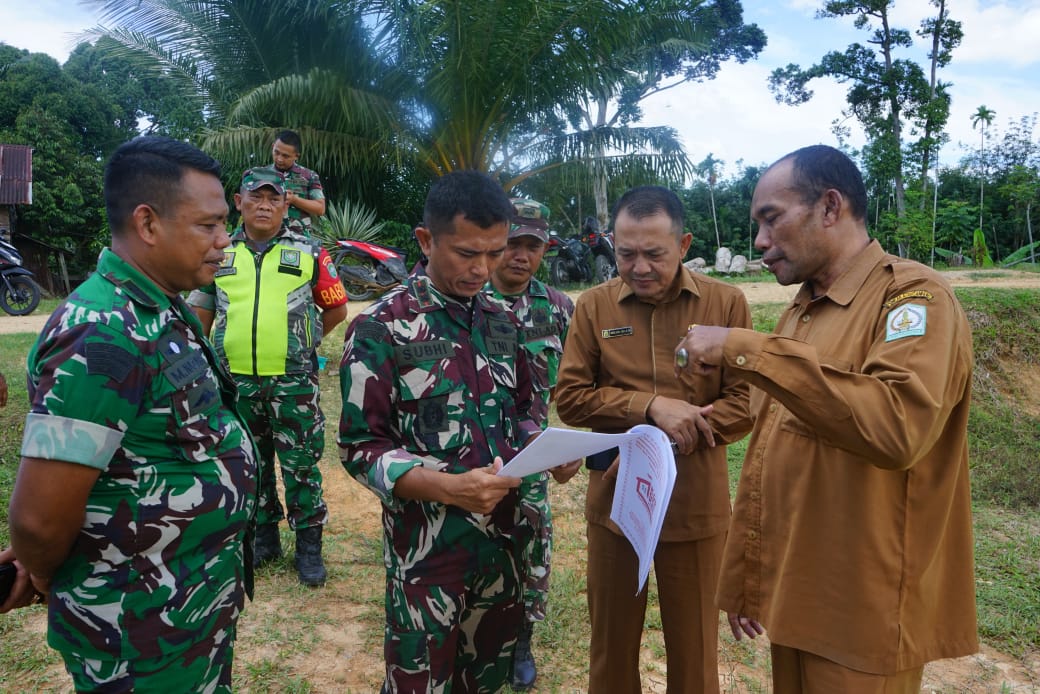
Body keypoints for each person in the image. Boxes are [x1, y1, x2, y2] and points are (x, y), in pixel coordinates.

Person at [675, 144, 978, 693]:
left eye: (772, 219)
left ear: (830, 207)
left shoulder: (911, 298)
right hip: (797, 596)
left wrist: (747, 348)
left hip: (863, 612)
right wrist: (750, 581)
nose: (760, 242)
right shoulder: (800, 311)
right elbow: (773, 452)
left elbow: (895, 428)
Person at [2, 136, 257, 692]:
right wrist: (43, 569)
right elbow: (39, 520)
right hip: (138, 636)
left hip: (187, 609)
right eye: (209, 225)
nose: (225, 240)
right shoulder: (103, 332)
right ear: (147, 224)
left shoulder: (160, 307)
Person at [338, 170, 542, 692]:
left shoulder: (502, 319)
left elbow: (520, 410)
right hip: (427, 559)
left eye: (494, 254)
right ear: (426, 241)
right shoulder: (381, 327)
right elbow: (363, 449)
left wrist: (541, 446)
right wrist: (450, 488)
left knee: (485, 680)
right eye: (467, 253)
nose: (483, 269)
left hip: (503, 546)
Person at [554, 185, 752, 694]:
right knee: (611, 652)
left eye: (654, 254)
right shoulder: (594, 307)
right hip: (618, 506)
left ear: (683, 244)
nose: (639, 267)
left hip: (696, 508)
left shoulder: (726, 304)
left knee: (696, 656)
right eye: (625, 254)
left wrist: (669, 439)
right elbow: (573, 398)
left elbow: (746, 403)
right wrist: (648, 409)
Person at [189, 167, 347, 587]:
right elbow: (200, 313)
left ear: (284, 205)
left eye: (273, 198)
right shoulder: (218, 252)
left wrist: (301, 345)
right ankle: (265, 538)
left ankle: (309, 546)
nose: (264, 205)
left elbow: (336, 309)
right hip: (235, 382)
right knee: (251, 462)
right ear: (237, 203)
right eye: (255, 198)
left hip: (292, 382)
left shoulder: (311, 251)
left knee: (300, 466)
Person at [482, 198, 580, 690]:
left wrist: (570, 449)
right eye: (513, 244)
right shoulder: (468, 299)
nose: (521, 256)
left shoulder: (559, 308)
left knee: (531, 544)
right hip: (472, 453)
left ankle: (521, 637)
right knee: (475, 546)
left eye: (532, 246)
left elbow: (573, 387)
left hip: (533, 456)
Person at [264, 129, 326, 234]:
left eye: (285, 156)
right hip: (267, 235)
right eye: (276, 152)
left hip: (299, 238)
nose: (279, 159)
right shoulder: (261, 174)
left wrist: (294, 200)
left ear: (296, 156)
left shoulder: (309, 176)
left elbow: (320, 208)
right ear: (273, 146)